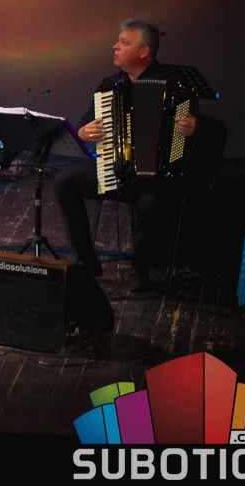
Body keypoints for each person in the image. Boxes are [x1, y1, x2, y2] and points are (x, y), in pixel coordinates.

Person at [53, 17, 198, 292]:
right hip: (115, 169)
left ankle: (141, 269)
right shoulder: (110, 86)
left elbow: (193, 126)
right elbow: (82, 126)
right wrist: (84, 131)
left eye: (124, 42)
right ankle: (86, 260)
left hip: (158, 176)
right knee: (63, 182)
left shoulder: (174, 83)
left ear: (144, 51)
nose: (115, 46)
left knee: (149, 203)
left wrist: (193, 126)